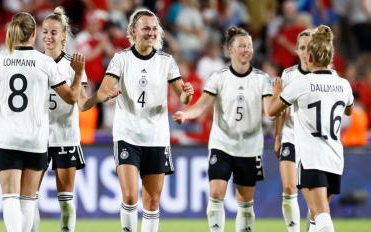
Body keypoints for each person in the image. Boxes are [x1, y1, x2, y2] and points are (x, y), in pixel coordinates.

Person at [0, 7, 119, 232]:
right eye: (45, 31)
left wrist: (98, 96)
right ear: (35, 33)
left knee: (58, 199)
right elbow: (35, 97)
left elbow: (80, 102)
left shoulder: (6, 58)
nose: (48, 36)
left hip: (62, 135)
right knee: (30, 199)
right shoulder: (43, 62)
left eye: (53, 32)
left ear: (64, 35)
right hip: (39, 136)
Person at [94, 8, 194, 232]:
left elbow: (184, 97)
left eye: (154, 28)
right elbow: (102, 91)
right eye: (146, 28)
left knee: (152, 201)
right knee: (130, 196)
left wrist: (188, 92)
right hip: (127, 134)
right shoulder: (121, 59)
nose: (151, 32)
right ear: (133, 31)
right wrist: (105, 94)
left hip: (156, 136)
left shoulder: (166, 61)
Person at [173, 26, 272, 232]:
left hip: (250, 147)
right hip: (222, 143)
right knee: (216, 193)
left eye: (249, 46)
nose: (247, 49)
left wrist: (279, 104)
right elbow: (202, 105)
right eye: (242, 45)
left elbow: (269, 111)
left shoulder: (262, 79)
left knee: (245, 201)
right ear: (230, 50)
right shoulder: (218, 77)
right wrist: (186, 114)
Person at [268, 25, 354, 232]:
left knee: (321, 215)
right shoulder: (343, 84)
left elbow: (272, 111)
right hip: (334, 159)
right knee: (317, 215)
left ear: (311, 56)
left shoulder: (302, 83)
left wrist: (276, 92)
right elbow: (348, 111)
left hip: (311, 158)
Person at [273, 29, 311, 232]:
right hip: (290, 136)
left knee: (313, 193)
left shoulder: (324, 74)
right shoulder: (288, 74)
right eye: (302, 48)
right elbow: (280, 109)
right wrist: (278, 137)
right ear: (296, 50)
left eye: (309, 47)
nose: (305, 52)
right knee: (289, 188)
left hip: (313, 141)